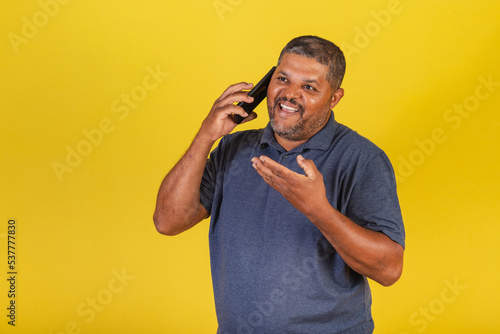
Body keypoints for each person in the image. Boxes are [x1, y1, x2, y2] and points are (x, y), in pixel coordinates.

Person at [153, 35, 405, 334]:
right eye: (282, 79)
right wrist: (206, 137)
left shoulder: (363, 159)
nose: (289, 94)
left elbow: (389, 269)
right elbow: (168, 221)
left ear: (334, 98)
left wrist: (319, 210)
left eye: (309, 87)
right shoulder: (233, 148)